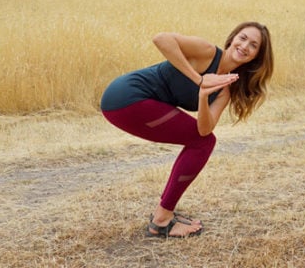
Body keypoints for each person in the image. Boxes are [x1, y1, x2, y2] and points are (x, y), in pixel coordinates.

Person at [100, 21, 274, 238]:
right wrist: (199, 79)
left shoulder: (224, 91)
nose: (245, 46)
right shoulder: (208, 52)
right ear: (232, 39)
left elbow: (204, 130)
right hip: (127, 95)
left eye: (254, 45)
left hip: (134, 103)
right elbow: (161, 38)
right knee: (203, 144)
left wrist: (203, 95)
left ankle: (164, 214)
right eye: (243, 38)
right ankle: (162, 219)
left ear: (256, 57)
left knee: (204, 141)